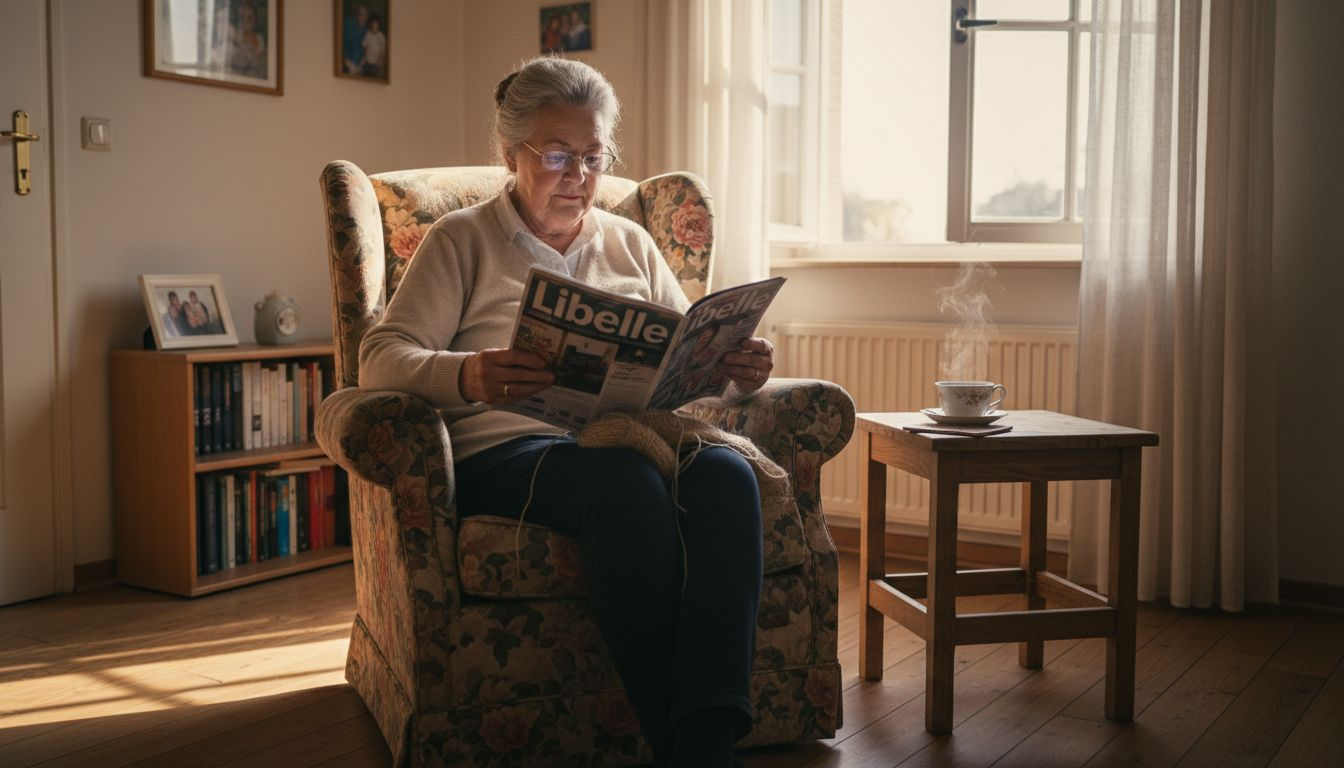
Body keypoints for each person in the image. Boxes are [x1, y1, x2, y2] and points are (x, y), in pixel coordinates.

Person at [358, 57, 776, 768]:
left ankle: (706, 744)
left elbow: (688, 356)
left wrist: (736, 371)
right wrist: (469, 374)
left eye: (592, 156)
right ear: (510, 153)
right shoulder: (461, 239)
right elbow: (379, 357)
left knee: (728, 480)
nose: (578, 175)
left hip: (630, 438)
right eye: (556, 155)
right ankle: (678, 747)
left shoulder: (630, 242)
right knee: (623, 485)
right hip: (510, 452)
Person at [342, 3, 369, 75]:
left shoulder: (366, 31)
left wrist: (360, 65)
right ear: (356, 14)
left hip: (359, 68)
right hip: (346, 65)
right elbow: (341, 46)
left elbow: (366, 52)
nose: (362, 17)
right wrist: (348, 63)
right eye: (360, 14)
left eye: (365, 15)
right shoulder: (348, 24)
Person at [361, 13, 386, 78]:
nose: (374, 24)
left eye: (376, 22)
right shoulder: (368, 34)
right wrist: (364, 59)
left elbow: (382, 51)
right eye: (373, 22)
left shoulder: (381, 36)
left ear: (378, 24)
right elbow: (365, 47)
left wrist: (380, 61)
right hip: (368, 61)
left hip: (376, 63)